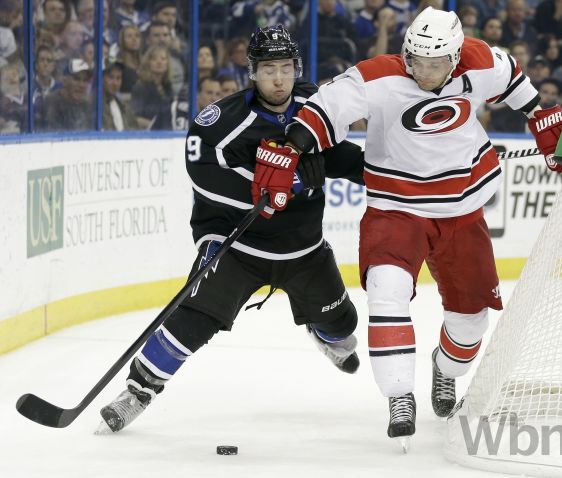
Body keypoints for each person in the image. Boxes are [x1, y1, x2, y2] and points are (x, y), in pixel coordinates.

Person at [253, 7, 562, 446]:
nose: (424, 71)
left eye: (436, 63)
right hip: (395, 208)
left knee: (471, 322)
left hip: (461, 208)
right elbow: (326, 109)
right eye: (417, 61)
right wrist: (290, 149)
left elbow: (514, 79)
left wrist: (539, 116)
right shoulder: (379, 76)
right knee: (386, 290)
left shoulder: (478, 61)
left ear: (455, 58)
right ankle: (399, 395)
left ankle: (446, 368)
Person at [98, 25, 365, 434]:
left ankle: (320, 326)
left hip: (303, 249)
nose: (279, 78)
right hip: (237, 244)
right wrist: (283, 185)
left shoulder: (318, 106)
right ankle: (138, 390)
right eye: (269, 69)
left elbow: (342, 157)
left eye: (286, 68)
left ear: (297, 69)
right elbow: (203, 175)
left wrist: (383, 174)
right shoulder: (221, 121)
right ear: (252, 72)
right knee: (194, 318)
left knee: (344, 329)